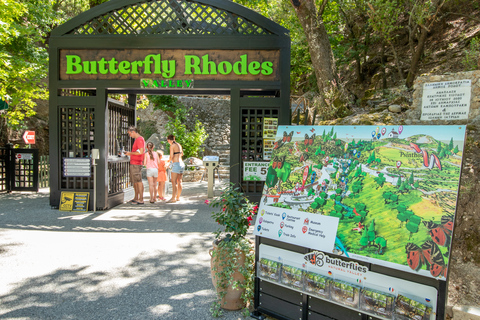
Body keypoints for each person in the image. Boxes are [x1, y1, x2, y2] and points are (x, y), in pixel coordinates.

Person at [125, 126, 145, 204]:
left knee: (138, 181)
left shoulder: (139, 139)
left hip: (136, 163)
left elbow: (140, 151)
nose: (130, 136)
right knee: (135, 181)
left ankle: (141, 199)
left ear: (133, 132)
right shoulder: (138, 139)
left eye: (130, 134)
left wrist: (129, 153)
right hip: (134, 163)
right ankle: (136, 197)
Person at [166, 134, 184, 203]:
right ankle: (178, 197)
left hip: (176, 163)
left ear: (169, 140)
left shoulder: (172, 146)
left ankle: (173, 198)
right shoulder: (179, 145)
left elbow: (171, 156)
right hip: (181, 163)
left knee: (173, 181)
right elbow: (182, 154)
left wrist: (168, 162)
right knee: (179, 181)